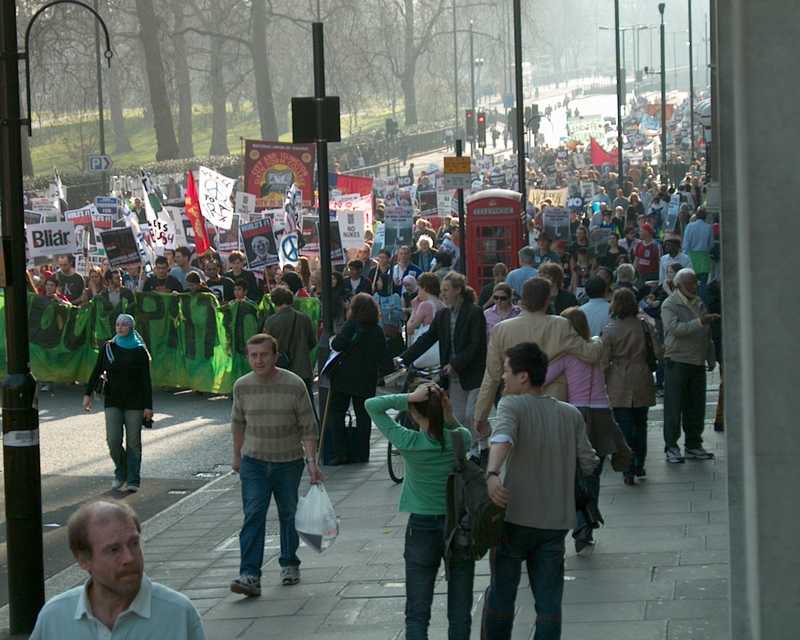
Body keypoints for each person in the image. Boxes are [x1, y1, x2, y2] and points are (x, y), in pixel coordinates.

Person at [481, 342, 599, 640]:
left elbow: (503, 436)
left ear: (523, 377)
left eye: (507, 372)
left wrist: (493, 473)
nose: (503, 378)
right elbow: (589, 462)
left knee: (502, 597)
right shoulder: (570, 414)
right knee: (548, 605)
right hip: (555, 523)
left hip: (515, 518)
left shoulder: (511, 404)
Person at [365, 384, 475, 640]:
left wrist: (408, 398)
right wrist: (447, 415)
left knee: (417, 610)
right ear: (443, 408)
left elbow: (372, 405)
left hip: (422, 527)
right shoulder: (460, 439)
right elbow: (459, 431)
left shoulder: (409, 442)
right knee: (460, 610)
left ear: (414, 413)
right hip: (458, 526)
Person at [30, 501, 205, 640]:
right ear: (84, 560)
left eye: (134, 544)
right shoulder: (54, 617)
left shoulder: (179, 614)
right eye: (114, 550)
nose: (129, 558)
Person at [230, 333, 321, 596]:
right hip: (254, 461)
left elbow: (308, 427)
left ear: (275, 356)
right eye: (253, 355)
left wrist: (312, 462)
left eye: (264, 355)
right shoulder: (242, 386)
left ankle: (289, 562)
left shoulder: (294, 385)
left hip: (288, 461)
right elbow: (237, 423)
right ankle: (249, 575)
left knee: (289, 513)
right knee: (254, 514)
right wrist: (236, 455)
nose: (258, 360)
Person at [544, 307, 629, 551]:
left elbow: (545, 376)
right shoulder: (596, 346)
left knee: (573, 473)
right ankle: (588, 522)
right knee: (593, 471)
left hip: (577, 412)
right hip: (602, 413)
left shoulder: (566, 355)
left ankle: (582, 521)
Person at [474, 277, 605, 433]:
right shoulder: (561, 325)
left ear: (522, 299)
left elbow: (492, 376)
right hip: (554, 404)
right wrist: (598, 341)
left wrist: (480, 415)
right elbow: (590, 355)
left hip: (515, 402)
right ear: (546, 300)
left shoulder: (501, 329)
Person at [400, 272, 487, 458]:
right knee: (458, 416)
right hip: (453, 375)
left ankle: (478, 449)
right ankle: (466, 450)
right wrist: (404, 358)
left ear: (458, 290)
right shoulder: (443, 314)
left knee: (472, 414)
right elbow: (428, 338)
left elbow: (475, 345)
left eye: (446, 290)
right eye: (442, 290)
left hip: (473, 373)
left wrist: (455, 363)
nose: (443, 294)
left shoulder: (474, 312)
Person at [84, 314, 153, 493]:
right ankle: (121, 471)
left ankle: (133, 479)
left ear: (131, 327)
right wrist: (87, 394)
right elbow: (97, 370)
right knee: (113, 440)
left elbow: (146, 380)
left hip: (135, 402)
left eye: (124, 325)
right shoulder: (108, 347)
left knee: (133, 442)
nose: (120, 327)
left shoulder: (139, 351)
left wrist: (148, 406)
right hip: (113, 400)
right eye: (117, 324)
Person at [660, 268, 718, 464]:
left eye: (695, 282)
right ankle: (671, 446)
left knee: (696, 406)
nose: (694, 286)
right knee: (674, 407)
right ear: (679, 286)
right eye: (690, 283)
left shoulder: (699, 302)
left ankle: (693, 444)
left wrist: (710, 357)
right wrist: (699, 321)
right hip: (677, 360)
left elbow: (707, 333)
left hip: (697, 361)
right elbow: (675, 329)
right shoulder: (670, 304)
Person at [602, 288, 659, 484]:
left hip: (619, 379)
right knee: (641, 424)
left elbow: (603, 361)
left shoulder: (610, 329)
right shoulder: (644, 326)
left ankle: (628, 466)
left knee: (624, 427)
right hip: (642, 376)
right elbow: (658, 351)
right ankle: (639, 463)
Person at [328, 294, 387, 464]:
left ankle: (340, 453)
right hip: (366, 377)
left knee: (337, 413)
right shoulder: (377, 329)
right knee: (363, 415)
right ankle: (363, 453)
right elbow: (382, 355)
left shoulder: (351, 325)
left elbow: (337, 345)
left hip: (344, 376)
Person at [264, 286, 317, 410]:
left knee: (284, 406)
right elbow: (312, 342)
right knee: (307, 405)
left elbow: (267, 347)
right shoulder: (304, 318)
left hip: (281, 369)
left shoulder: (271, 321)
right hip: (303, 368)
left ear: (274, 301)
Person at [681, 207, 714, 301]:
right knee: (703, 284)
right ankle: (703, 304)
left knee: (690, 283)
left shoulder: (690, 226)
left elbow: (685, 244)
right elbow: (711, 244)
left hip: (691, 257)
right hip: (704, 257)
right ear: (706, 216)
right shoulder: (708, 227)